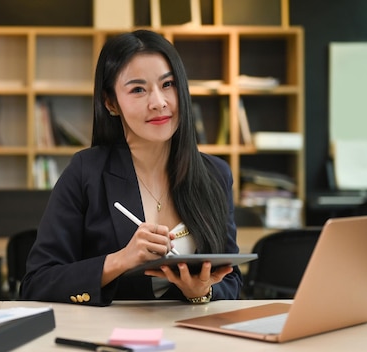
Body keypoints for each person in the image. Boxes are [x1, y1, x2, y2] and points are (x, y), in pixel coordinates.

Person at [20, 29, 242, 306]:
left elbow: (231, 280)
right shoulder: (85, 172)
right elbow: (37, 283)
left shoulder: (215, 175)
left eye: (168, 84)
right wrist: (120, 260)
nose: (158, 102)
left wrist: (201, 292)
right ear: (111, 103)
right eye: (138, 89)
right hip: (110, 338)